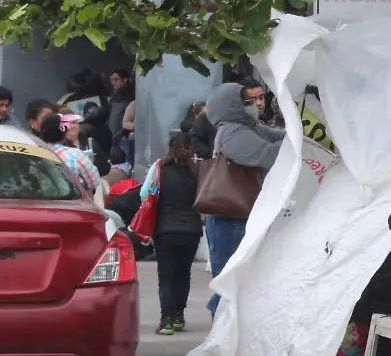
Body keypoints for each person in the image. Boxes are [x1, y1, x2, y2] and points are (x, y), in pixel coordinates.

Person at [203, 82, 285, 316]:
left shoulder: (250, 128)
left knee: (244, 284)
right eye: (247, 101)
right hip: (230, 219)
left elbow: (280, 137)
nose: (254, 105)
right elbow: (269, 154)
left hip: (243, 216)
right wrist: (300, 141)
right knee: (230, 285)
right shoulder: (232, 133)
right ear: (230, 106)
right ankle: (220, 335)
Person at [140, 132, 203, 335]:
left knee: (166, 276)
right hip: (191, 230)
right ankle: (178, 316)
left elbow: (144, 193)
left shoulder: (159, 168)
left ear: (169, 147)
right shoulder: (198, 170)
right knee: (184, 274)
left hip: (165, 229)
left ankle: (166, 321)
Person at [39, 113, 102, 195]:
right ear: (63, 133)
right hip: (75, 201)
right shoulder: (75, 154)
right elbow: (93, 181)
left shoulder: (35, 155)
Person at [108, 69, 135, 164]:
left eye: (117, 79)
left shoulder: (132, 96)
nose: (114, 83)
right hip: (114, 137)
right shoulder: (114, 97)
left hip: (124, 137)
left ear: (125, 80)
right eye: (112, 80)